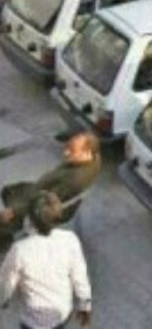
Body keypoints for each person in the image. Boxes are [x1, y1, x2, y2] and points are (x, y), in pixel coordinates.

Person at [0, 192, 92, 329]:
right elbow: (80, 276)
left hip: (32, 321)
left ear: (30, 218)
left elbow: (6, 283)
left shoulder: (19, 250)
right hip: (62, 312)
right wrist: (85, 306)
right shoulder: (69, 239)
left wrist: (4, 300)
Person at [0, 132, 101, 247]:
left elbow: (44, 204)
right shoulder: (94, 157)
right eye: (67, 148)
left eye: (72, 151)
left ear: (87, 153)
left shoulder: (74, 181)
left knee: (5, 217)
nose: (65, 153)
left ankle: (7, 236)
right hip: (42, 191)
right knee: (9, 191)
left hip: (43, 206)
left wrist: (14, 212)